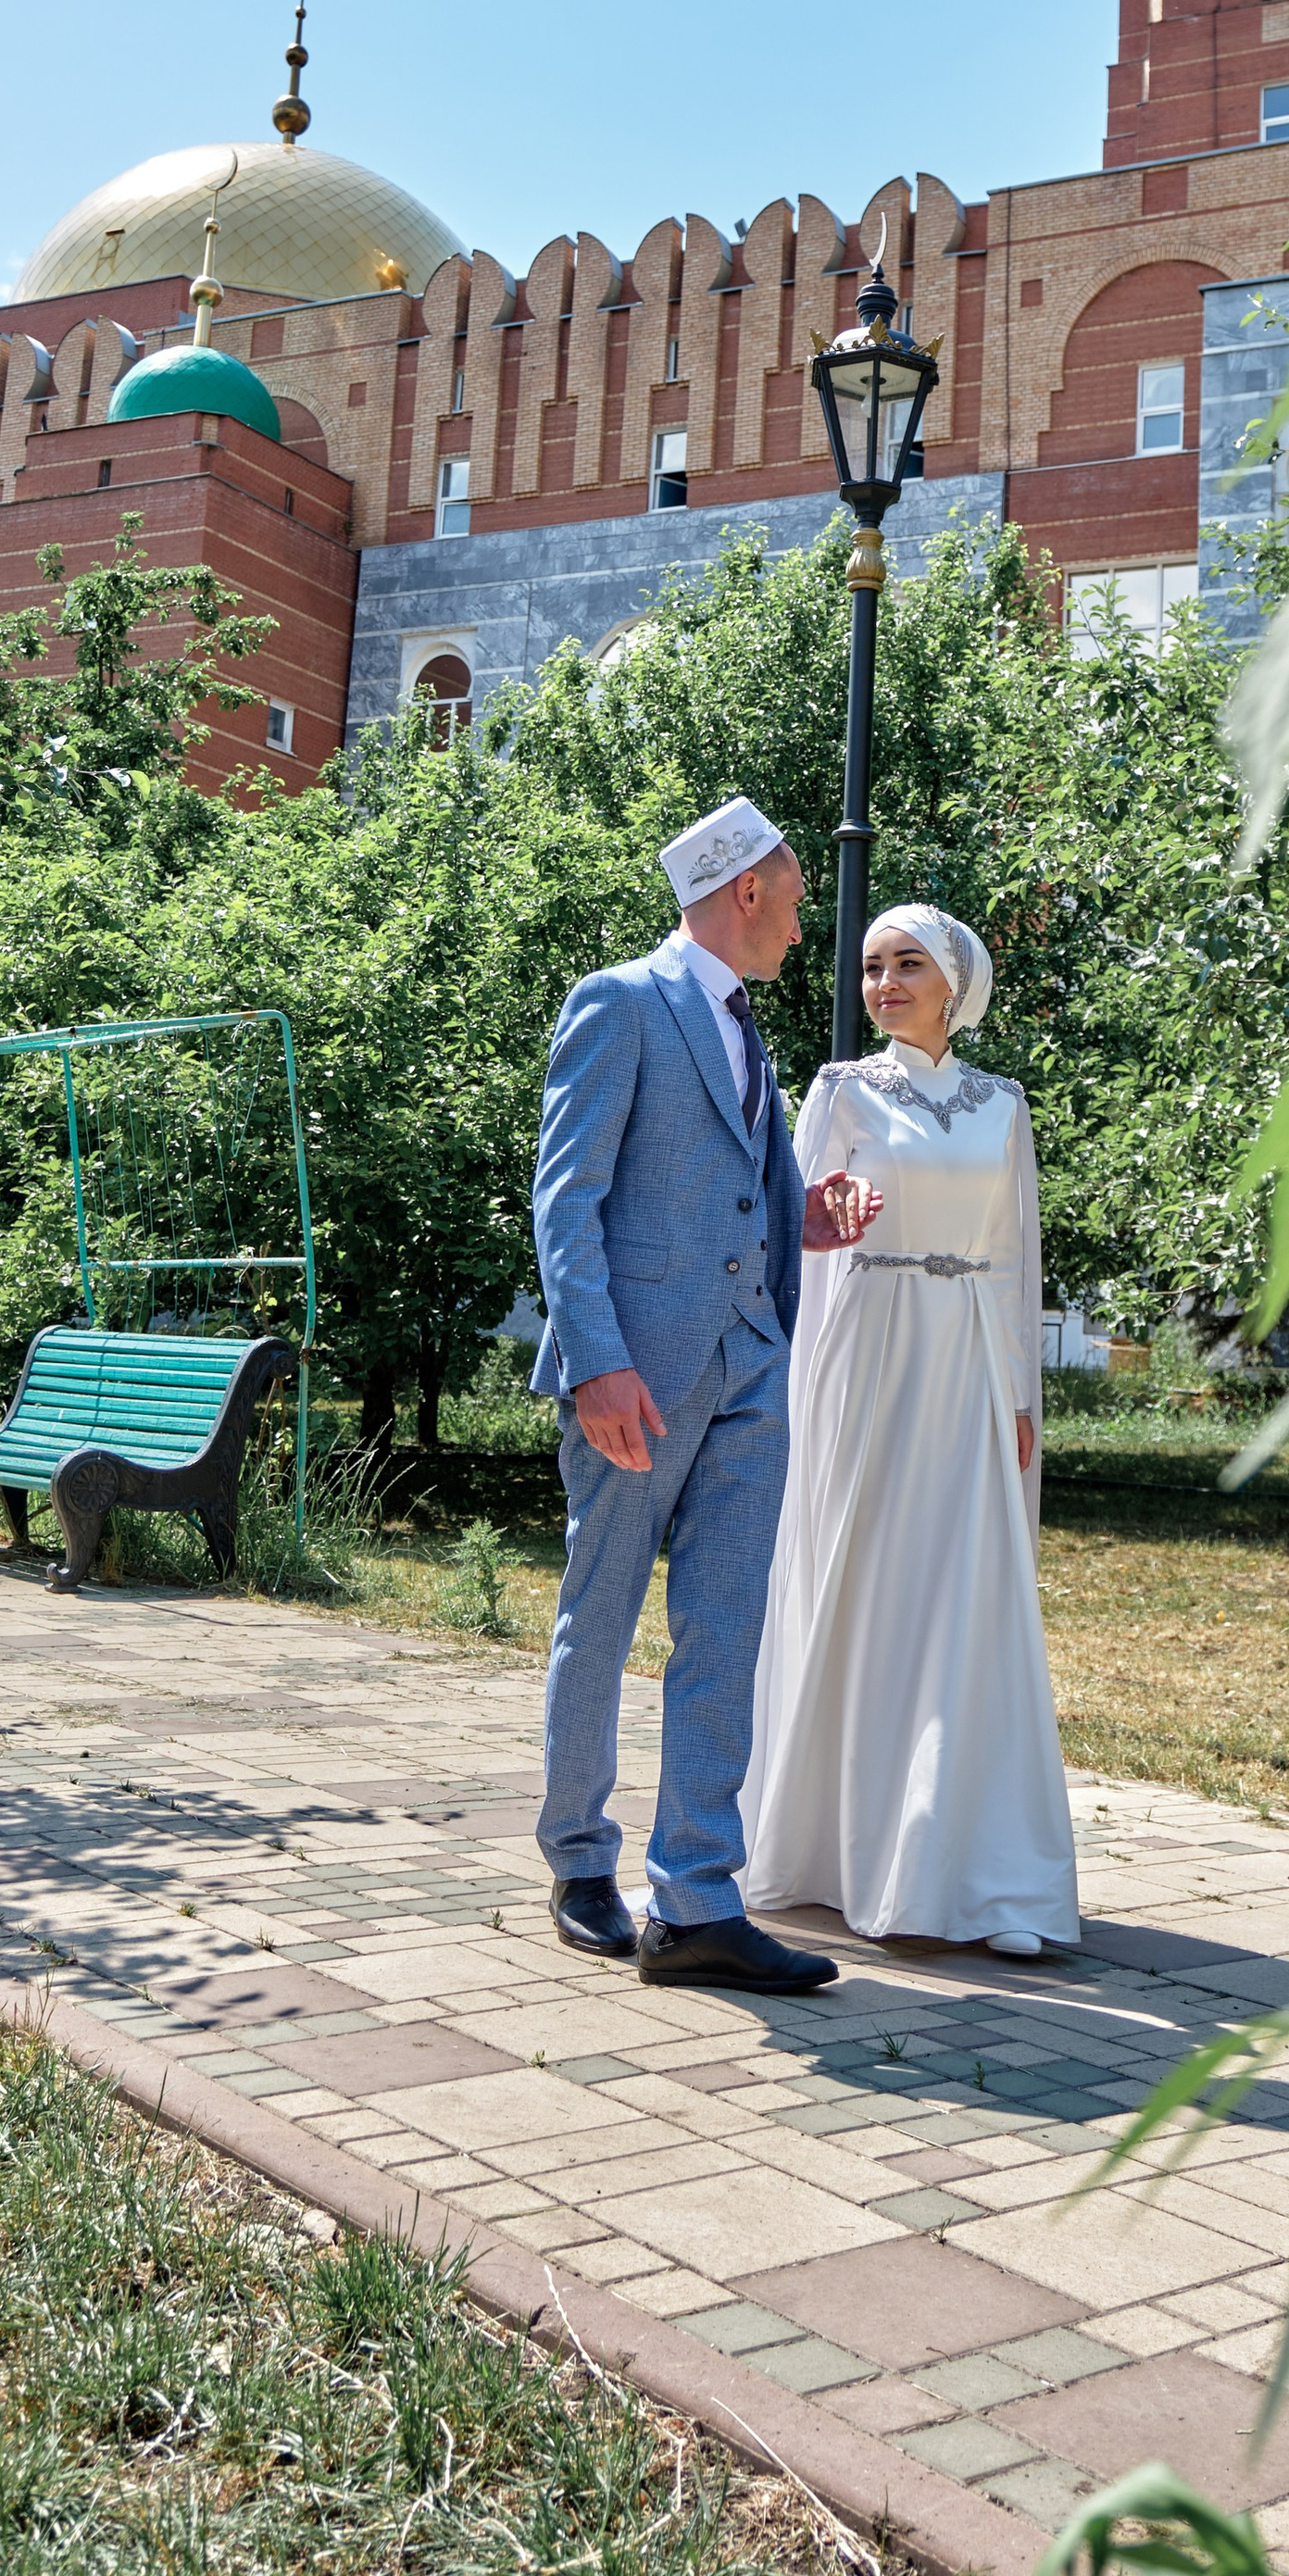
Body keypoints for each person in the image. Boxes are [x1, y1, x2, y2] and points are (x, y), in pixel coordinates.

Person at [530, 795, 882, 1992]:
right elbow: (566, 1199)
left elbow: (740, 1193)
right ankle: (580, 1862)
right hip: (637, 1376)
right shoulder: (621, 1002)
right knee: (603, 1614)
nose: (799, 925)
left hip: (748, 1368)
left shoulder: (748, 1032)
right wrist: (595, 1364)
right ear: (745, 893)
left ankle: (696, 1902)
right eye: (790, 899)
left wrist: (809, 1224)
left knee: (724, 1636)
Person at [743, 903, 1081, 1957]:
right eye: (872, 966)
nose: (883, 982)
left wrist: (1020, 1396)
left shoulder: (1005, 1107)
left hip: (970, 1361)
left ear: (954, 984)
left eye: (907, 965)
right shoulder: (842, 1091)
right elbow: (792, 1234)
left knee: (964, 1596)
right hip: (864, 1352)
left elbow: (1017, 1255)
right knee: (867, 1582)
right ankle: (839, 1853)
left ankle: (978, 1874)